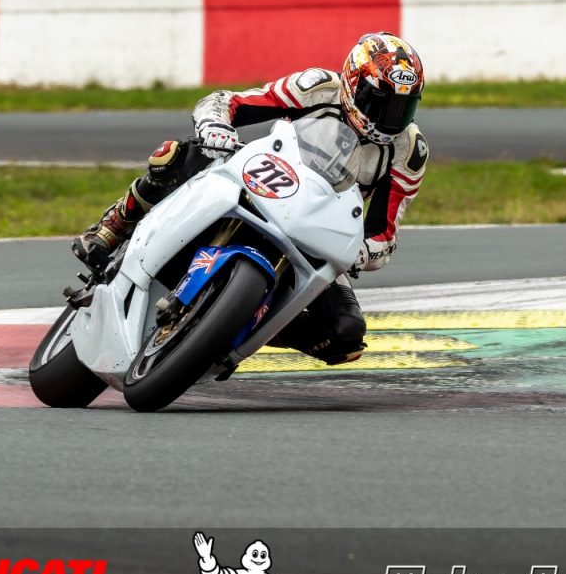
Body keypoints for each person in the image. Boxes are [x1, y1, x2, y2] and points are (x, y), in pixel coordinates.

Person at [73, 32, 428, 366]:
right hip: (263, 179)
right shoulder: (317, 87)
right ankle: (113, 227)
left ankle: (229, 332)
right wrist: (215, 126)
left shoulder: (409, 150)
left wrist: (359, 252)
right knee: (179, 156)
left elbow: (384, 234)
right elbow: (229, 102)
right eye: (380, 103)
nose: (390, 118)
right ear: (353, 84)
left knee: (345, 336)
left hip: (315, 231)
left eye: (403, 107)